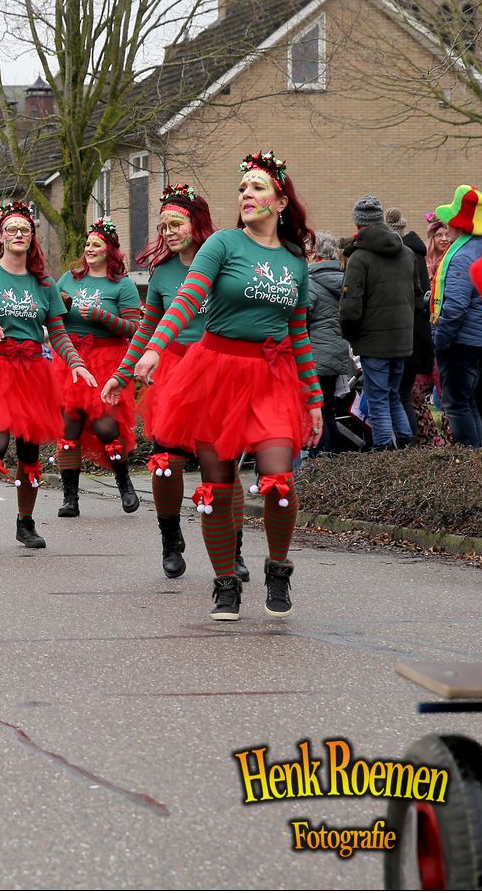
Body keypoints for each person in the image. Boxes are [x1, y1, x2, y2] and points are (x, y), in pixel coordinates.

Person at [106, 151, 323, 622]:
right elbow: (186, 300)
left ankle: (278, 569)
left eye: (258, 187)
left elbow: (300, 333)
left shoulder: (294, 260)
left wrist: (314, 399)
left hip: (272, 377)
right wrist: (153, 349)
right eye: (243, 188)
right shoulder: (223, 244)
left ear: (281, 201)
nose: (247, 194)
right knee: (218, 489)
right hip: (215, 374)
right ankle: (226, 585)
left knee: (279, 482)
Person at [0, 202, 94, 552]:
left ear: (31, 237)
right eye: (11, 229)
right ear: (0, 235)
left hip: (32, 371)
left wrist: (76, 362)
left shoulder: (43, 282)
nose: (17, 234)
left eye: (24, 230)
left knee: (29, 449)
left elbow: (57, 332)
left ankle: (25, 524)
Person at [113, 184, 222, 578]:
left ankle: (233, 547)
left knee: (218, 462)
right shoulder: (162, 272)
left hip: (216, 371)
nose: (170, 232)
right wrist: (122, 373)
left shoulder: (222, 262)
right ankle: (170, 537)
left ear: (197, 222)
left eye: (177, 224)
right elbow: (147, 330)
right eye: (164, 227)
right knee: (165, 462)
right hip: (173, 371)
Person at [53, 219, 142, 517]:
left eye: (96, 245)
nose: (89, 249)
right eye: (87, 244)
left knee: (106, 427)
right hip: (72, 360)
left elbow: (134, 328)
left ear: (110, 251)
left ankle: (124, 483)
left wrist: (103, 316)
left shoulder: (123, 285)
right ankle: (70, 498)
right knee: (69, 428)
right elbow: (51, 315)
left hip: (108, 361)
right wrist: (61, 306)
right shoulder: (69, 278)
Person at [339, 195, 421, 450]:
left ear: (358, 224)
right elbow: (418, 297)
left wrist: (351, 335)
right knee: (394, 395)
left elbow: (350, 308)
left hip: (373, 342)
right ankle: (406, 446)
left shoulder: (359, 258)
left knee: (378, 399)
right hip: (402, 341)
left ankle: (385, 451)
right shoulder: (407, 253)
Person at [430, 184, 482, 447]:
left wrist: (440, 340)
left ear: (459, 224)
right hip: (480, 341)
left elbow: (455, 307)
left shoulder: (461, 256)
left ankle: (469, 457)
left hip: (462, 343)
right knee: (470, 402)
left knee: (457, 404)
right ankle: (477, 459)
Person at [305, 232, 351, 456]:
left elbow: (302, 318)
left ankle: (320, 461)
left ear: (315, 253)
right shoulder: (344, 280)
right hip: (337, 352)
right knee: (328, 410)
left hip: (315, 355)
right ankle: (334, 460)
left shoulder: (311, 282)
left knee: (317, 411)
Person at [395, 211, 436, 443]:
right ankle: (410, 445)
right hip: (417, 337)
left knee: (397, 396)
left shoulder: (403, 257)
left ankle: (405, 445)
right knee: (404, 395)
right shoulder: (419, 256)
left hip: (402, 338)